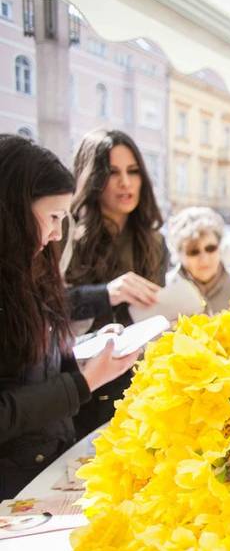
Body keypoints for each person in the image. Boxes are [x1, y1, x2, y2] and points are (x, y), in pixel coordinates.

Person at [0, 135, 138, 499]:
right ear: (12, 210)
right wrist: (85, 382)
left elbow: (33, 360)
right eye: (52, 217)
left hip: (46, 461)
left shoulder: (29, 269)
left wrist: (87, 349)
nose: (56, 232)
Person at [63, 129, 168, 438]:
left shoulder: (155, 241)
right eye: (113, 172)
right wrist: (105, 294)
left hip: (139, 387)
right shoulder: (64, 232)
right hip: (80, 388)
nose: (126, 182)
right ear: (93, 177)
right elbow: (44, 306)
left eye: (133, 171)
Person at [166, 206, 230, 314]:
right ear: (179, 254)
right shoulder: (164, 291)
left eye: (210, 248)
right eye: (193, 252)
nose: (204, 258)